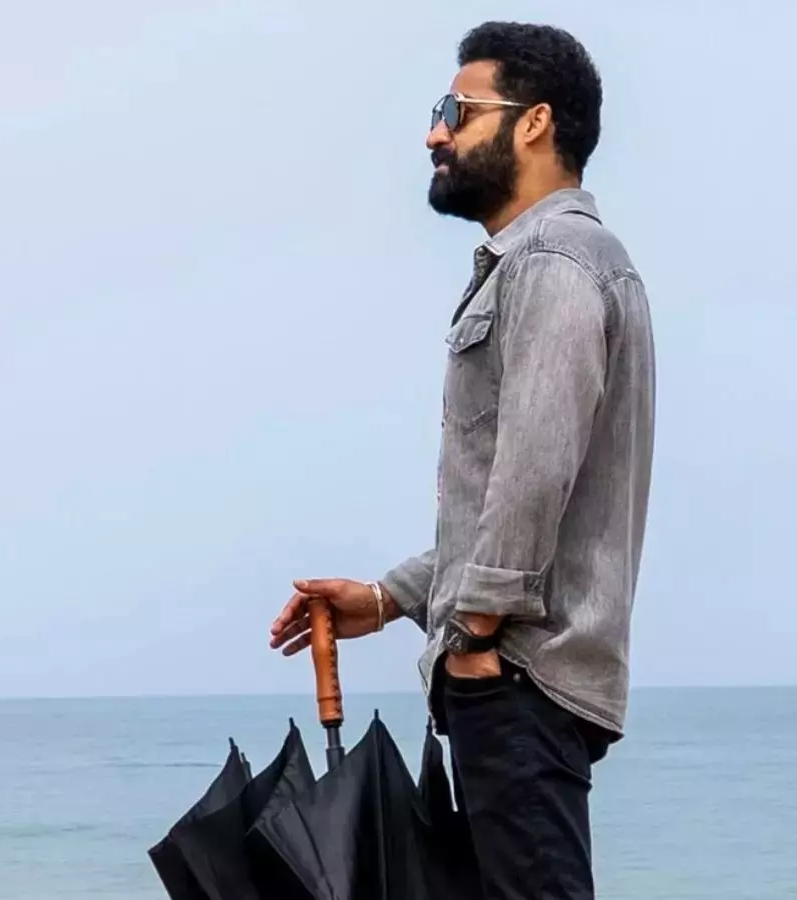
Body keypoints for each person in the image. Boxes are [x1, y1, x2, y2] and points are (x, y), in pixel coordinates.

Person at [268, 21, 655, 900]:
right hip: (513, 681)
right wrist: (389, 598)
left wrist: (475, 636)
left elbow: (533, 475)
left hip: (517, 677)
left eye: (456, 110)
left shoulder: (554, 261)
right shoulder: (547, 264)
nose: (433, 133)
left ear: (534, 122)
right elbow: (507, 498)